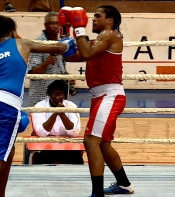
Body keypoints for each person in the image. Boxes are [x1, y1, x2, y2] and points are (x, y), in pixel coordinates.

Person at [0, 14, 76, 197]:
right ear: (13, 32)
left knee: (7, 151)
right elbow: (58, 47)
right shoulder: (22, 44)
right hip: (5, 105)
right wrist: (69, 41)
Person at [60, 5, 135, 197]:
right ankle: (124, 184)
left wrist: (78, 29)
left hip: (110, 95)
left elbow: (85, 53)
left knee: (90, 141)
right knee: (103, 144)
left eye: (97, 17)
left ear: (109, 20)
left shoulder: (110, 34)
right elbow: (75, 55)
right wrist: (64, 32)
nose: (93, 20)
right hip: (100, 96)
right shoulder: (100, 39)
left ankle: (97, 194)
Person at [28, 11, 77, 107]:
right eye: (53, 23)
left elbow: (59, 67)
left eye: (58, 23)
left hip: (58, 96)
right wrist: (45, 63)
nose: (56, 26)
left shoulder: (61, 43)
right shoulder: (39, 44)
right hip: (42, 96)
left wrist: (66, 77)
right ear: (46, 25)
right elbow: (32, 75)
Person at [30, 79, 83, 164]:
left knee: (76, 156)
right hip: (45, 146)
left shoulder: (72, 106)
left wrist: (62, 114)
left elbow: (74, 133)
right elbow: (41, 133)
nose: (57, 98)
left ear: (65, 95)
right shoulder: (39, 106)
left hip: (68, 146)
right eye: (54, 94)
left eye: (60, 94)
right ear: (49, 95)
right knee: (39, 157)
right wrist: (55, 114)